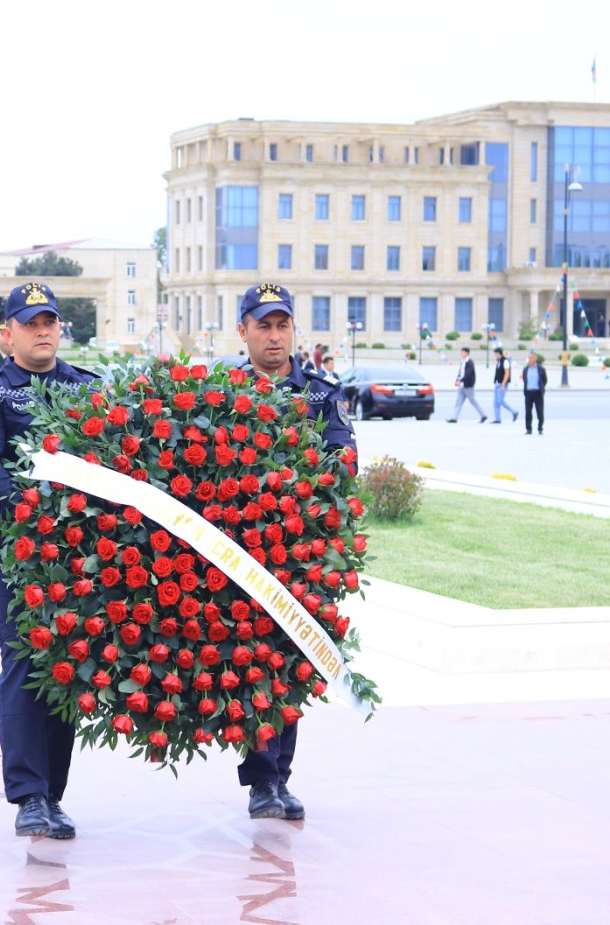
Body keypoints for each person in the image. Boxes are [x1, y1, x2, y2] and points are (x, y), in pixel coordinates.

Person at [0, 281, 97, 839]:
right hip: (15, 551)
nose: (43, 331)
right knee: (22, 665)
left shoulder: (85, 389)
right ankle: (27, 795)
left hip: (78, 557)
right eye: (31, 323)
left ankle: (52, 792)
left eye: (50, 322)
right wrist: (43, 513)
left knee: (68, 664)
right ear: (7, 333)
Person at [234, 282, 355, 821]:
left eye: (283, 325)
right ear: (244, 332)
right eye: (264, 325)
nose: (275, 335)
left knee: (292, 662)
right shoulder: (224, 389)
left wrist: (301, 487)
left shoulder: (320, 392)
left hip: (302, 551)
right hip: (241, 552)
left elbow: (345, 458)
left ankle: (281, 776)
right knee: (250, 662)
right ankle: (262, 781)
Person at [447, 347, 487, 423]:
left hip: (468, 386)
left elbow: (468, 374)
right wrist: (457, 380)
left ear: (467, 353)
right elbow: (460, 372)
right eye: (461, 352)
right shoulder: (463, 361)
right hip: (461, 385)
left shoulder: (469, 362)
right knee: (458, 402)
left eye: (463, 352)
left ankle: (483, 415)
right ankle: (454, 418)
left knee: (473, 401)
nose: (461, 354)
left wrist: (461, 380)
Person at [491, 346, 519, 424]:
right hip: (497, 383)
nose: (494, 355)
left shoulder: (505, 361)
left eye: (495, 354)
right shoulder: (499, 361)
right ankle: (497, 419)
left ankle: (514, 412)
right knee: (496, 402)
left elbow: (507, 373)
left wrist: (503, 383)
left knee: (500, 400)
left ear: (498, 353)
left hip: (502, 384)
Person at [522, 350, 547, 435]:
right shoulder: (526, 369)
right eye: (529, 358)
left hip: (538, 392)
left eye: (532, 358)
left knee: (540, 411)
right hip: (528, 392)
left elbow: (544, 380)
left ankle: (540, 428)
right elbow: (525, 380)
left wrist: (541, 388)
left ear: (535, 359)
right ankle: (528, 429)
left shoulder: (540, 368)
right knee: (528, 412)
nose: (530, 359)